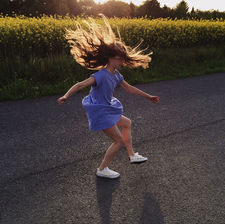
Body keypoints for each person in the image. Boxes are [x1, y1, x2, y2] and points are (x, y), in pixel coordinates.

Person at [58, 15, 159, 179]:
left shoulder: (117, 75)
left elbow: (129, 88)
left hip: (107, 108)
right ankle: (102, 169)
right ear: (111, 58)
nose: (122, 62)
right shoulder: (101, 75)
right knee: (118, 141)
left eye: (123, 59)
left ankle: (132, 155)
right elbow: (80, 85)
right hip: (100, 111)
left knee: (127, 123)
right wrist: (65, 96)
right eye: (119, 58)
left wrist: (149, 97)